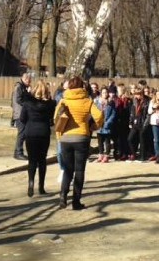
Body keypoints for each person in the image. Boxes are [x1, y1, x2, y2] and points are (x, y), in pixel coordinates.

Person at [54, 75, 103, 210]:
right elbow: (99, 115)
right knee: (79, 170)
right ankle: (76, 201)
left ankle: (63, 196)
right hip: (82, 137)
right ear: (82, 86)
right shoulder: (87, 101)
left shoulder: (64, 100)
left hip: (65, 138)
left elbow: (56, 118)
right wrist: (93, 127)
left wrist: (59, 135)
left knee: (68, 170)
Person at [19, 80, 56, 197]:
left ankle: (31, 183)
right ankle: (41, 187)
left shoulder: (27, 103)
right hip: (44, 133)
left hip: (31, 132)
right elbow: (52, 119)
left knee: (32, 160)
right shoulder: (50, 104)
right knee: (42, 160)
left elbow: (22, 118)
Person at [11, 72, 32, 160]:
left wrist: (28, 92)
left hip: (21, 113)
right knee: (22, 133)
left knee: (23, 133)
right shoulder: (19, 87)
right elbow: (18, 99)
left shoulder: (22, 87)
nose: (30, 82)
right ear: (25, 79)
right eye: (29, 81)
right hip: (19, 114)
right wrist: (28, 105)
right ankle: (18, 152)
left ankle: (18, 152)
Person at [95, 87, 115, 163]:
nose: (105, 94)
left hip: (107, 124)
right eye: (103, 92)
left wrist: (108, 122)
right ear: (101, 93)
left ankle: (106, 155)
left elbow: (113, 114)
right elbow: (95, 112)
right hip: (99, 124)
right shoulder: (97, 102)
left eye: (106, 92)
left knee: (107, 141)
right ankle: (100, 154)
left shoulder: (111, 102)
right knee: (100, 141)